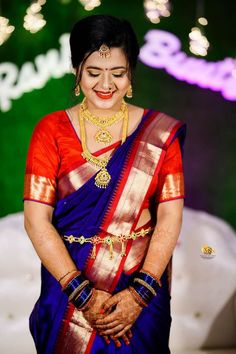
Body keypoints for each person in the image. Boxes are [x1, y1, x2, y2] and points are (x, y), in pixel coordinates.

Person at [23, 14, 186, 354]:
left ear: (132, 74)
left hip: (141, 286)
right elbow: (36, 219)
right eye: (94, 72)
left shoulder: (159, 134)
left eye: (118, 73)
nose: (106, 84)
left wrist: (139, 294)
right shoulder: (50, 131)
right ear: (76, 71)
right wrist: (82, 294)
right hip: (69, 290)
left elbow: (169, 217)